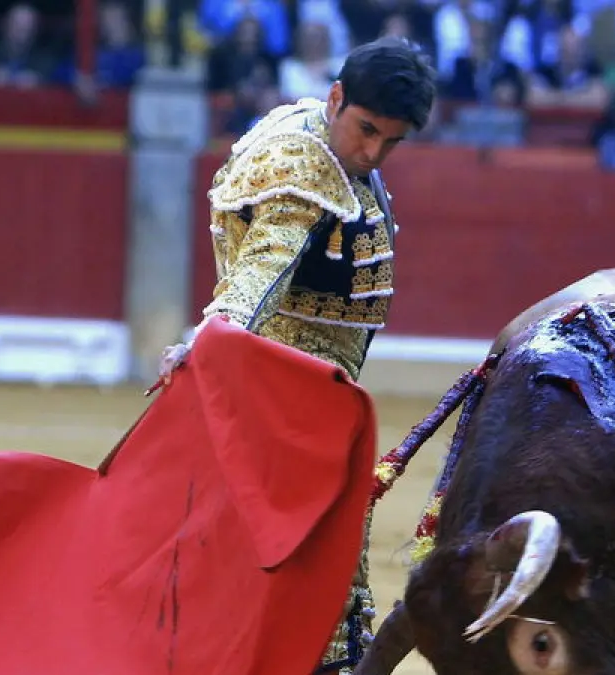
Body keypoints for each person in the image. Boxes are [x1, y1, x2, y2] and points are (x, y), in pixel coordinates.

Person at [157, 36, 437, 674]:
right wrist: (209, 337)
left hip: (308, 396)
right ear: (336, 98)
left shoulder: (315, 130)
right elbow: (265, 264)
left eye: (391, 142)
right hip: (287, 405)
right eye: (366, 130)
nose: (373, 153)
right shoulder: (303, 173)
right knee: (318, 565)